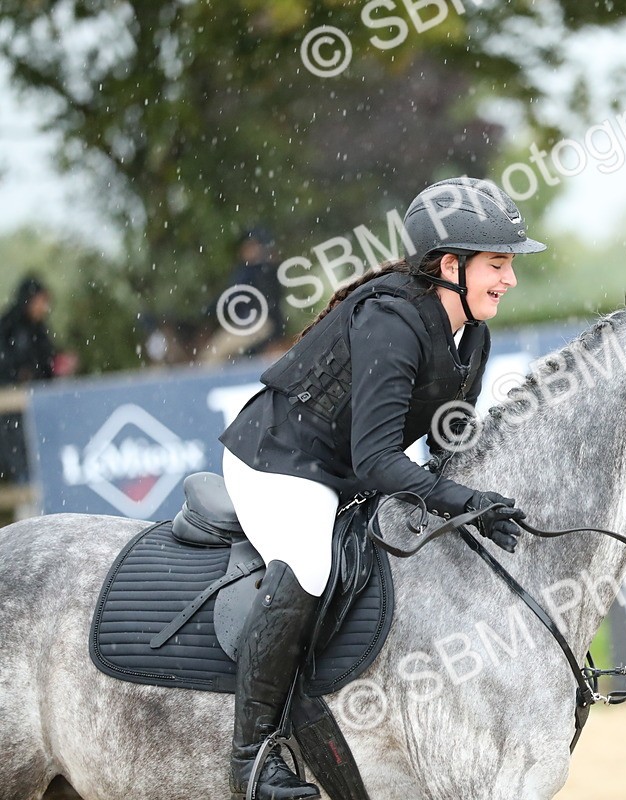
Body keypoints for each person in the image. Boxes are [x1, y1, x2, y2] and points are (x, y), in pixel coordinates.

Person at [218, 177, 545, 800]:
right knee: (312, 565)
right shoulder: (391, 322)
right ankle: (250, 762)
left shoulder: (471, 331)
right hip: (282, 464)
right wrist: (465, 504)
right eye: (498, 265)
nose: (509, 280)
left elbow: (446, 446)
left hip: (341, 474)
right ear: (450, 265)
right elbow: (377, 461)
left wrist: (480, 500)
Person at [0, 276, 56, 483]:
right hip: (10, 414)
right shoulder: (8, 327)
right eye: (41, 301)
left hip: (37, 409)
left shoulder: (39, 330)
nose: (44, 307)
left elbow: (46, 365)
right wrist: (20, 374)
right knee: (20, 464)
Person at [203, 227, 286, 365]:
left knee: (213, 354)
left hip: (258, 323)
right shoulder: (258, 270)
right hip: (255, 323)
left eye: (251, 245)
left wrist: (208, 310)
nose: (246, 249)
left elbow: (232, 296)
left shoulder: (257, 271)